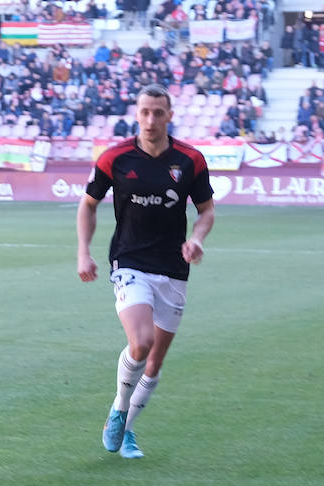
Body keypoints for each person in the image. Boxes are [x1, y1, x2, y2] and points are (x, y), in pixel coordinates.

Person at [76, 83, 216, 459]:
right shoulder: (115, 157)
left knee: (153, 363)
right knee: (141, 343)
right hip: (130, 261)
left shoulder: (190, 159)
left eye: (158, 112)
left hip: (173, 267)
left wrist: (197, 239)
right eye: (144, 112)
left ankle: (127, 430)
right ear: (136, 115)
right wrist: (83, 252)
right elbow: (88, 204)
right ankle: (119, 410)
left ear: (170, 116)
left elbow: (206, 211)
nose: (151, 120)